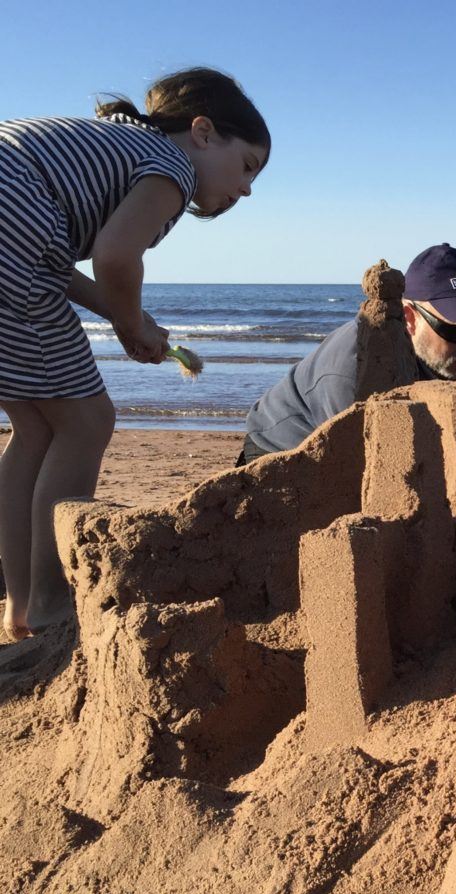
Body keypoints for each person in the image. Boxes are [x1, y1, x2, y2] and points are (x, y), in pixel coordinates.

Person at [0, 68, 270, 641]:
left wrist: (129, 317)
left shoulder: (116, 143)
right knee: (88, 422)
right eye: (247, 166)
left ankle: (21, 605)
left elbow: (59, 264)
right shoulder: (168, 164)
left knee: (36, 427)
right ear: (202, 132)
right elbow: (117, 258)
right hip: (11, 243)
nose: (246, 190)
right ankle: (49, 607)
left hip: (16, 239)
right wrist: (127, 322)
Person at [239, 244, 456, 463]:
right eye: (454, 332)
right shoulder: (356, 369)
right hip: (283, 447)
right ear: (410, 317)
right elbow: (359, 464)